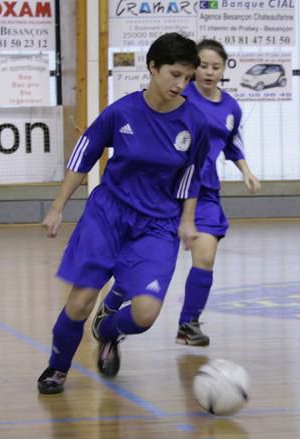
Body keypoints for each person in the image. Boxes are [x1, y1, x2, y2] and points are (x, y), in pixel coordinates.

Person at [37, 33, 209, 394]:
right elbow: (84, 155)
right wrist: (57, 207)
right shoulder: (121, 112)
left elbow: (192, 176)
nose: (181, 84)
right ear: (153, 68)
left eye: (187, 77)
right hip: (108, 214)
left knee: (145, 314)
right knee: (80, 302)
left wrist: (188, 219)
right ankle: (57, 367)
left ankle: (108, 331)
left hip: (158, 225)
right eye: (175, 74)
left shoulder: (194, 123)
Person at [99, 39, 260, 346]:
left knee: (206, 255)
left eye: (216, 66)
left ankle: (188, 324)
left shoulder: (230, 108)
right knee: (142, 259)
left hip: (205, 191)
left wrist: (246, 170)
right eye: (203, 66)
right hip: (167, 192)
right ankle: (113, 302)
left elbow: (232, 143)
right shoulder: (177, 96)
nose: (209, 72)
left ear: (225, 69)